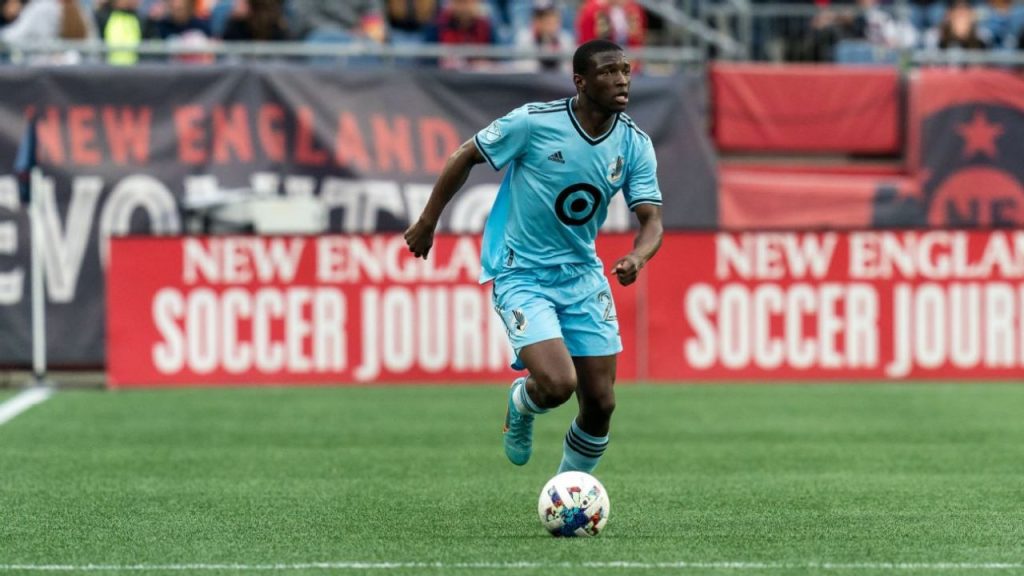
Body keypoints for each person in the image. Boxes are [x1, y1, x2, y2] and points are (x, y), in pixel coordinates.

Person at [404, 39, 663, 475]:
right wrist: (429, 221)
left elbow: (651, 220)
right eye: (608, 71)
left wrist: (638, 256)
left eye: (625, 70)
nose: (621, 79)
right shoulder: (533, 122)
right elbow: (465, 155)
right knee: (559, 384)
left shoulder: (634, 144)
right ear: (580, 82)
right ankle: (522, 402)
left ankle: (570, 492)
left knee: (601, 402)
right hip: (520, 270)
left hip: (582, 275)